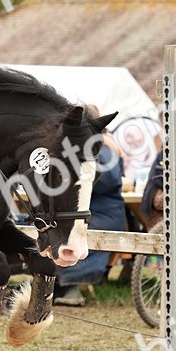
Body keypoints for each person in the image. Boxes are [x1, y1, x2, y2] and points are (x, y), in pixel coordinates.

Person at [53, 130, 127, 306]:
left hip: (105, 213)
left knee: (75, 235)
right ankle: (52, 285)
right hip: (84, 212)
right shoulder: (79, 149)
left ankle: (71, 287)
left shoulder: (106, 150)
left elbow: (105, 180)